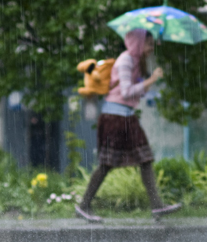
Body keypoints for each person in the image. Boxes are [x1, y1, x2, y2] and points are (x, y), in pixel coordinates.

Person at [75, 29, 182, 223]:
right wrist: (151, 80)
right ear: (138, 43)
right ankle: (84, 205)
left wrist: (146, 83)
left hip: (128, 117)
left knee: (145, 159)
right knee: (107, 164)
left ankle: (157, 206)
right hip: (114, 119)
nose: (151, 48)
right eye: (148, 43)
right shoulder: (125, 60)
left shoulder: (136, 62)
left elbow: (134, 93)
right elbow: (125, 92)